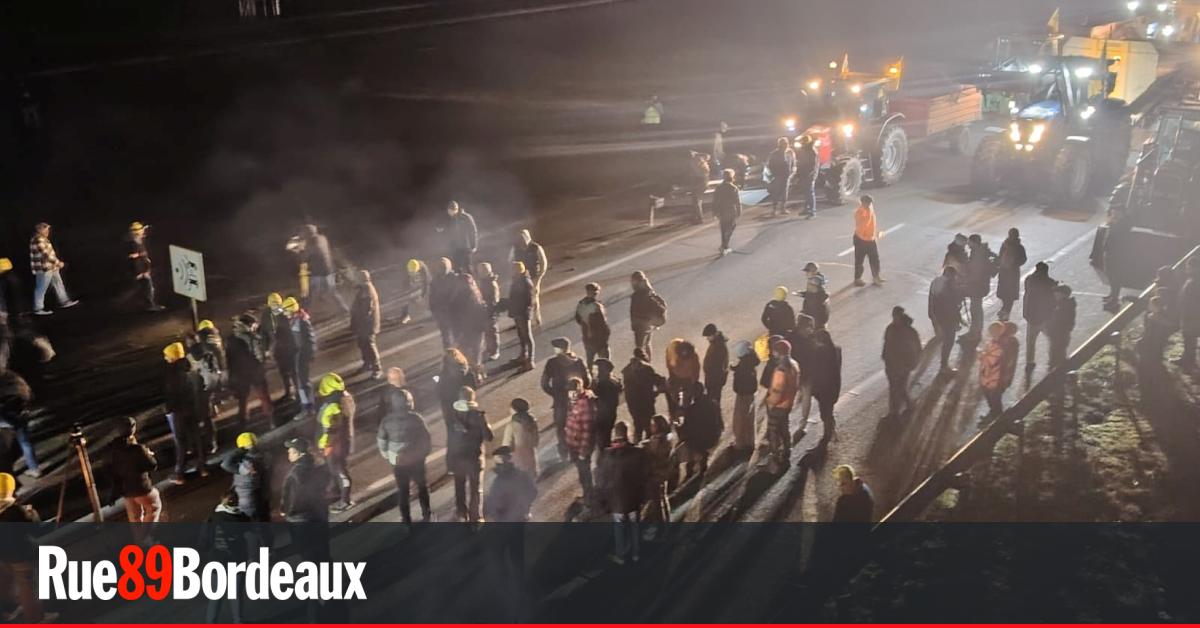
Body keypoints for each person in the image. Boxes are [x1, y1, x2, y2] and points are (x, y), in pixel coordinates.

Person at [0, 472, 51, 624]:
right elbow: (35, 529)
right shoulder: (14, 510)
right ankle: (36, 618)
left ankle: (9, 610)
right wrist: (32, 515)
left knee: (6, 582)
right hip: (20, 553)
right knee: (28, 586)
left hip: (3, 556)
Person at [377, 388, 432, 523]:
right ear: (409, 402)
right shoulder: (416, 419)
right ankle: (427, 515)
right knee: (422, 487)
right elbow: (426, 438)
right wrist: (424, 453)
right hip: (416, 460)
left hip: (398, 461)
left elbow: (382, 441)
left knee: (403, 491)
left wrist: (388, 456)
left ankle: (406, 520)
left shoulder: (386, 421)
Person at [598, 421, 649, 564]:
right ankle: (636, 553)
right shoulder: (638, 452)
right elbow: (644, 475)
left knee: (619, 528)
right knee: (635, 525)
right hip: (634, 498)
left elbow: (601, 479)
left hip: (616, 500)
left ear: (615, 434)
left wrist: (603, 499)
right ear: (628, 433)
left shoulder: (606, 454)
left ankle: (621, 555)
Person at [447, 386, 493, 522]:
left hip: (458, 457)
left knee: (459, 488)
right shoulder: (479, 416)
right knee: (475, 488)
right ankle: (476, 516)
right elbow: (489, 436)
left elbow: (450, 440)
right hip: (475, 457)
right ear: (472, 398)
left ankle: (461, 514)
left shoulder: (453, 416)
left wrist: (449, 460)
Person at [203, 492, 250, 624]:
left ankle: (211, 623)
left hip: (217, 561)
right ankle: (238, 621)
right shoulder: (241, 518)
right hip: (237, 560)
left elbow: (203, 542)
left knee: (215, 597)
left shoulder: (212, 518)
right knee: (236, 594)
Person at [162, 342, 205, 483]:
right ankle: (203, 468)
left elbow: (171, 394)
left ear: (173, 357)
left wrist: (169, 410)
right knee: (197, 438)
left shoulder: (172, 373)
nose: (165, 358)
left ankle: (179, 473)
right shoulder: (190, 367)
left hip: (178, 412)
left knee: (180, 441)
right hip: (192, 408)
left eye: (167, 356)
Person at [542, 337, 590, 461]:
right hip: (577, 400)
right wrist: (579, 391)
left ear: (559, 349)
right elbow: (587, 380)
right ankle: (578, 450)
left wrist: (555, 394)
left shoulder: (552, 363)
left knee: (561, 427)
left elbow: (544, 383)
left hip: (560, 401)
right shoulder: (578, 361)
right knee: (579, 425)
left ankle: (564, 453)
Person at [108, 417, 161, 528]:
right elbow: (152, 465)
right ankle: (144, 536)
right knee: (154, 507)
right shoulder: (138, 449)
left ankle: (141, 538)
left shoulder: (114, 450)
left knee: (135, 518)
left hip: (126, 490)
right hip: (141, 488)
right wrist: (148, 454)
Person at [316, 373, 356, 512]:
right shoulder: (345, 397)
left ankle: (345, 501)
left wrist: (325, 445)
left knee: (339, 470)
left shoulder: (333, 406)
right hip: (343, 441)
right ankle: (336, 492)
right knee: (336, 468)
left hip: (335, 445)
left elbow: (332, 430)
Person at [227, 313, 273, 430]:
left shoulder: (232, 338)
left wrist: (232, 375)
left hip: (240, 374)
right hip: (254, 371)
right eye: (253, 325)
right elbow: (258, 355)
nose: (255, 327)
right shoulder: (252, 337)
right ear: (248, 325)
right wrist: (261, 364)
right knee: (264, 396)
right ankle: (271, 420)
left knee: (243, 401)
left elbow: (229, 359)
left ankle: (242, 425)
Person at [764, 339, 800, 472]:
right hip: (788, 403)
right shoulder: (794, 364)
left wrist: (770, 402)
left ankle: (775, 460)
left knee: (774, 432)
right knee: (785, 429)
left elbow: (777, 390)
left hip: (778, 405)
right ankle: (786, 453)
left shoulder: (781, 369)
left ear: (778, 353)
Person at [28, 222, 78, 315]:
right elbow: (46, 254)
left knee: (58, 284)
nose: (48, 231)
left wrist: (56, 265)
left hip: (52, 267)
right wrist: (58, 263)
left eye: (48, 229)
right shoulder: (38, 240)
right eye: (46, 229)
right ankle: (38, 309)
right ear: (40, 230)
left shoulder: (43, 239)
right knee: (41, 288)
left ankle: (64, 301)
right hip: (44, 269)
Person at [220, 432, 271, 522]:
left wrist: (241, 451)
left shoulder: (247, 464)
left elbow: (225, 464)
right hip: (260, 497)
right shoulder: (263, 456)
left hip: (247, 500)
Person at [882, 306, 922, 420]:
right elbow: (886, 344)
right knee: (895, 387)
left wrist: (912, 363)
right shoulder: (890, 328)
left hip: (903, 365)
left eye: (896, 316)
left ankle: (895, 411)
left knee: (898, 387)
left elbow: (917, 348)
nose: (894, 318)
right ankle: (905, 406)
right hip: (891, 364)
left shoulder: (908, 331)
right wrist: (885, 356)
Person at [298, 224, 349, 314]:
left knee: (310, 294)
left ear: (308, 233)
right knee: (332, 292)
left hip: (318, 273)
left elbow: (304, 257)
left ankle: (304, 314)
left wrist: (300, 249)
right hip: (329, 270)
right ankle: (344, 308)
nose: (302, 234)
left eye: (304, 232)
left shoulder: (312, 242)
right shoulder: (322, 238)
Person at [280, 437, 332, 522]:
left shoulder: (295, 473)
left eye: (291, 452)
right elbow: (327, 481)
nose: (288, 453)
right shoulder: (319, 464)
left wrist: (285, 511)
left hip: (301, 516)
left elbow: (290, 496)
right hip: (320, 511)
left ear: (300, 454)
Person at [678, 381, 722, 481]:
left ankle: (692, 462)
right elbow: (719, 422)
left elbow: (687, 428)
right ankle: (701, 459)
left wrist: (679, 429)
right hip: (713, 436)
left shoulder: (691, 409)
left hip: (698, 441)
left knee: (687, 437)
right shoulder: (713, 404)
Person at [563, 377, 597, 504]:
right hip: (575, 443)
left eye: (572, 391)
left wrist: (583, 452)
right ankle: (588, 495)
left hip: (581, 446)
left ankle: (589, 498)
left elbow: (587, 431)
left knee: (584, 473)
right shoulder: (576, 402)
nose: (570, 394)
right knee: (582, 473)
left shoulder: (584, 405)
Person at [484, 446, 537, 523]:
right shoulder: (522, 475)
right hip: (519, 517)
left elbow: (492, 503)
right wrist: (525, 507)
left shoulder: (496, 481)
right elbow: (533, 491)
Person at [978, 321, 1019, 420]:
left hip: (998, 378)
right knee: (989, 394)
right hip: (990, 376)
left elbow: (1003, 362)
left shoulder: (1007, 345)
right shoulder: (995, 342)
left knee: (994, 396)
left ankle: (997, 416)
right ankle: (994, 412)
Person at [961, 234, 997, 345]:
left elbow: (975, 272)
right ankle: (975, 331)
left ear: (974, 243)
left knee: (975, 310)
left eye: (970, 242)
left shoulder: (978, 254)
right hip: (979, 285)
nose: (968, 244)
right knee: (975, 308)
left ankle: (975, 332)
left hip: (977, 286)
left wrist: (966, 281)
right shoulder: (979, 252)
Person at [284, 296, 318, 419]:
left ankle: (308, 408)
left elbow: (310, 338)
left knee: (304, 382)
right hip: (299, 354)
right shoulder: (295, 320)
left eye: (286, 311)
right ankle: (306, 406)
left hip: (303, 355)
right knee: (301, 382)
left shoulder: (302, 321)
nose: (285, 314)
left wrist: (311, 354)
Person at [261, 293, 298, 402]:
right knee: (283, 372)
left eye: (277, 305)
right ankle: (288, 391)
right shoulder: (266, 316)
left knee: (294, 371)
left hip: (288, 347)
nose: (276, 307)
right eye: (273, 305)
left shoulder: (284, 314)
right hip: (277, 348)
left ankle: (298, 392)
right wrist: (266, 349)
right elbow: (264, 333)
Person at [622, 348, 664, 443]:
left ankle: (637, 445)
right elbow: (657, 381)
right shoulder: (647, 368)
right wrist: (657, 392)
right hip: (646, 402)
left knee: (638, 426)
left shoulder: (627, 370)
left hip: (633, 403)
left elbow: (627, 388)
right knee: (650, 426)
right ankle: (651, 445)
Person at [809, 330, 842, 447]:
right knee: (829, 410)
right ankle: (831, 430)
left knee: (825, 412)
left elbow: (816, 370)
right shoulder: (836, 349)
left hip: (823, 388)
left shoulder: (819, 351)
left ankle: (828, 434)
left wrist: (814, 387)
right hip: (834, 384)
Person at [929, 266, 963, 376]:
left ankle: (943, 364)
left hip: (936, 316)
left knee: (942, 340)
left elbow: (932, 300)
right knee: (948, 342)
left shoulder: (935, 282)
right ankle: (944, 366)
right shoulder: (950, 285)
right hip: (948, 319)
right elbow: (955, 303)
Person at [1023, 261, 1058, 372]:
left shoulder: (1029, 280)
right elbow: (1053, 298)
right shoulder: (1049, 282)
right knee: (1052, 338)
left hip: (1031, 316)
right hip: (1045, 317)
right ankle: (1054, 359)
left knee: (1030, 340)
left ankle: (1029, 361)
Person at [348, 270, 382, 379]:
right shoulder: (364, 288)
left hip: (367, 325)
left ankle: (377, 368)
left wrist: (358, 319)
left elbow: (366, 309)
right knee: (363, 344)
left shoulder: (367, 290)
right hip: (363, 324)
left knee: (369, 345)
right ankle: (367, 364)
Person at [511, 229, 549, 327]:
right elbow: (510, 261)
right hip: (520, 277)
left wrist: (539, 277)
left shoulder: (536, 248)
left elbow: (543, 263)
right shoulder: (515, 249)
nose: (522, 241)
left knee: (534, 297)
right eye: (520, 239)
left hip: (534, 277)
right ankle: (522, 318)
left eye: (523, 238)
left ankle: (537, 317)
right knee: (520, 298)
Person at [643, 415, 674, 525]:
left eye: (653, 425)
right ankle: (667, 519)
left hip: (655, 473)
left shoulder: (657, 441)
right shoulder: (669, 437)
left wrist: (646, 447)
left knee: (656, 501)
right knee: (663, 497)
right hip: (664, 472)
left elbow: (654, 455)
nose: (651, 427)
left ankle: (661, 523)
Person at [437, 348, 478, 432]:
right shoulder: (466, 371)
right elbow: (473, 387)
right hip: (462, 406)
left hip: (457, 408)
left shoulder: (444, 376)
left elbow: (441, 395)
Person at [630, 271, 667, 360]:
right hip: (648, 323)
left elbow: (636, 311)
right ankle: (648, 361)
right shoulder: (649, 291)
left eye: (633, 281)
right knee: (647, 344)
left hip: (641, 324)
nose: (631, 283)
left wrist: (635, 323)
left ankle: (643, 363)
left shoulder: (638, 295)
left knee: (640, 347)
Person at [126, 221, 163, 312]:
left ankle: (146, 305)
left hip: (143, 269)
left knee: (145, 288)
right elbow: (133, 259)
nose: (142, 231)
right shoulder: (132, 244)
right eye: (140, 230)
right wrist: (140, 272)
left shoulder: (139, 240)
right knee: (146, 288)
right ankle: (148, 306)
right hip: (140, 270)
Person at [730, 340, 759, 451]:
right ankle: (750, 441)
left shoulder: (745, 365)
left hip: (743, 394)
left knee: (740, 419)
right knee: (749, 418)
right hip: (749, 394)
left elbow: (741, 377)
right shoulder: (750, 361)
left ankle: (740, 442)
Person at [574, 283, 611, 369]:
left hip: (587, 336)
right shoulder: (596, 306)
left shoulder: (581, 304)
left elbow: (578, 318)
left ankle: (590, 374)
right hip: (599, 337)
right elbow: (602, 323)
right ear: (596, 292)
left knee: (589, 359)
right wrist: (606, 334)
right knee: (605, 360)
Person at [508, 261, 536, 370]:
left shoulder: (525, 282)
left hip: (523, 313)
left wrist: (525, 313)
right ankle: (523, 355)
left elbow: (530, 300)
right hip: (518, 312)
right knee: (521, 335)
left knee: (527, 336)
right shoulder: (517, 280)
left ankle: (530, 360)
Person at [590, 358, 623, 452]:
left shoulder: (604, 383)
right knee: (606, 436)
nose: (596, 372)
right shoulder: (613, 380)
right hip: (610, 413)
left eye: (598, 369)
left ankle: (604, 455)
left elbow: (598, 397)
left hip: (603, 414)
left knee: (602, 438)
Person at [502, 398, 539, 478]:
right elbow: (535, 440)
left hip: (517, 459)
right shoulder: (532, 421)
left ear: (514, 410)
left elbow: (507, 444)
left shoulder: (512, 425)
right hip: (531, 456)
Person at [665, 338, 701, 421]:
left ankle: (686, 414)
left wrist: (694, 380)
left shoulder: (693, 354)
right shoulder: (672, 351)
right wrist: (672, 376)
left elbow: (696, 368)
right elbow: (669, 364)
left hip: (688, 378)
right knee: (674, 397)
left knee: (687, 398)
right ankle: (675, 415)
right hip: (676, 376)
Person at [996, 228, 1027, 321]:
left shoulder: (1005, 245)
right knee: (1009, 295)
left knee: (1006, 294)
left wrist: (1002, 264)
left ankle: (1005, 310)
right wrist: (1014, 264)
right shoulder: (1019, 247)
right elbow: (1023, 259)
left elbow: (1000, 257)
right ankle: (1006, 311)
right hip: (1012, 273)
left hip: (1005, 272)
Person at [852, 195, 884, 286]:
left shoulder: (870, 209)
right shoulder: (860, 212)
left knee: (875, 259)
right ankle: (857, 279)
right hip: (861, 239)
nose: (869, 205)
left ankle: (876, 276)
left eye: (870, 203)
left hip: (871, 239)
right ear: (863, 203)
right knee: (859, 260)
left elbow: (872, 223)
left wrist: (875, 233)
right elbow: (863, 225)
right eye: (868, 203)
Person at [438, 201, 479, 272]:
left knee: (468, 266)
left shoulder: (466, 217)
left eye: (450, 211)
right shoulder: (451, 219)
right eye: (448, 211)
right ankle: (459, 277)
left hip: (466, 247)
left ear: (455, 209)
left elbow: (473, 232)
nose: (449, 213)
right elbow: (449, 231)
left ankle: (470, 278)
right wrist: (442, 230)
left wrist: (474, 245)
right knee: (456, 267)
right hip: (455, 248)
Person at [1176, 257, 1200, 372]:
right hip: (1189, 314)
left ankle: (1189, 362)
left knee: (1190, 338)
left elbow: (1193, 300)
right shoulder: (1192, 279)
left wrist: (1189, 313)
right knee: (1188, 338)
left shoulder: (1195, 281)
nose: (1186, 269)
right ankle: (1186, 359)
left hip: (1192, 315)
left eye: (1188, 267)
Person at [429, 258, 457, 349]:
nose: (442, 269)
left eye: (444, 267)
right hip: (441, 311)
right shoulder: (435, 280)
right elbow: (432, 296)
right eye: (441, 267)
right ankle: (449, 350)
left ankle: (458, 351)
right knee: (445, 334)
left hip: (453, 311)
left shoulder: (455, 279)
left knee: (456, 332)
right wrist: (434, 310)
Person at [476, 262, 501, 362]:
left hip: (490, 312)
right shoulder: (484, 281)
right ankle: (489, 348)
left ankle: (495, 351)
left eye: (480, 271)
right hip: (485, 311)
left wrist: (485, 304)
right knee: (487, 332)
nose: (479, 273)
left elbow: (494, 300)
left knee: (492, 332)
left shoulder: (491, 284)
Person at [1047, 284, 1076, 370]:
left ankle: (1057, 370)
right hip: (1058, 334)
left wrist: (1050, 327)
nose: (1055, 295)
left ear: (1062, 294)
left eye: (1056, 293)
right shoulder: (1063, 304)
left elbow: (1060, 321)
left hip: (1059, 334)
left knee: (1057, 354)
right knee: (1057, 353)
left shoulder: (1064, 306)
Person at [713, 168, 742, 255]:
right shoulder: (733, 188)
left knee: (723, 228)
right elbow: (737, 201)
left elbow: (715, 200)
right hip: (731, 210)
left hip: (722, 210)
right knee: (731, 227)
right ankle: (725, 246)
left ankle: (724, 246)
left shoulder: (718, 187)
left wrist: (715, 211)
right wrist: (739, 212)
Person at [766, 137, 795, 216]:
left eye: (785, 144)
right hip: (777, 175)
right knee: (776, 192)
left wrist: (792, 172)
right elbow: (770, 164)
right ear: (779, 144)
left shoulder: (790, 152)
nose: (784, 145)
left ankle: (783, 208)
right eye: (783, 144)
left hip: (786, 175)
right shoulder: (774, 153)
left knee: (784, 192)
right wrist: (773, 173)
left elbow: (793, 163)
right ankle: (774, 209)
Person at [796, 262, 830, 329]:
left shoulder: (814, 282)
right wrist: (803, 294)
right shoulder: (817, 292)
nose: (806, 274)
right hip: (815, 319)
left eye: (808, 271)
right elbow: (812, 294)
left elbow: (813, 300)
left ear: (814, 271)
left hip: (815, 322)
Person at [701, 323, 729, 404]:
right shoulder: (716, 344)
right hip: (712, 380)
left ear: (715, 334)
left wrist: (711, 382)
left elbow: (718, 367)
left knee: (713, 402)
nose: (707, 338)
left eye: (708, 336)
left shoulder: (719, 347)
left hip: (715, 382)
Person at [794, 134, 819, 218]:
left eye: (803, 141)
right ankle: (807, 209)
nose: (802, 143)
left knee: (809, 192)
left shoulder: (812, 150)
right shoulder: (805, 149)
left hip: (809, 175)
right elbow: (801, 162)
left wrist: (810, 174)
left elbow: (813, 164)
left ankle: (812, 211)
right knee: (806, 192)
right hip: (804, 174)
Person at [686, 151, 710, 223]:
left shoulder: (695, 162)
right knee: (696, 200)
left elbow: (697, 174)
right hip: (702, 183)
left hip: (699, 183)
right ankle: (696, 216)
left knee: (696, 201)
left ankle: (699, 218)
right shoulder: (703, 162)